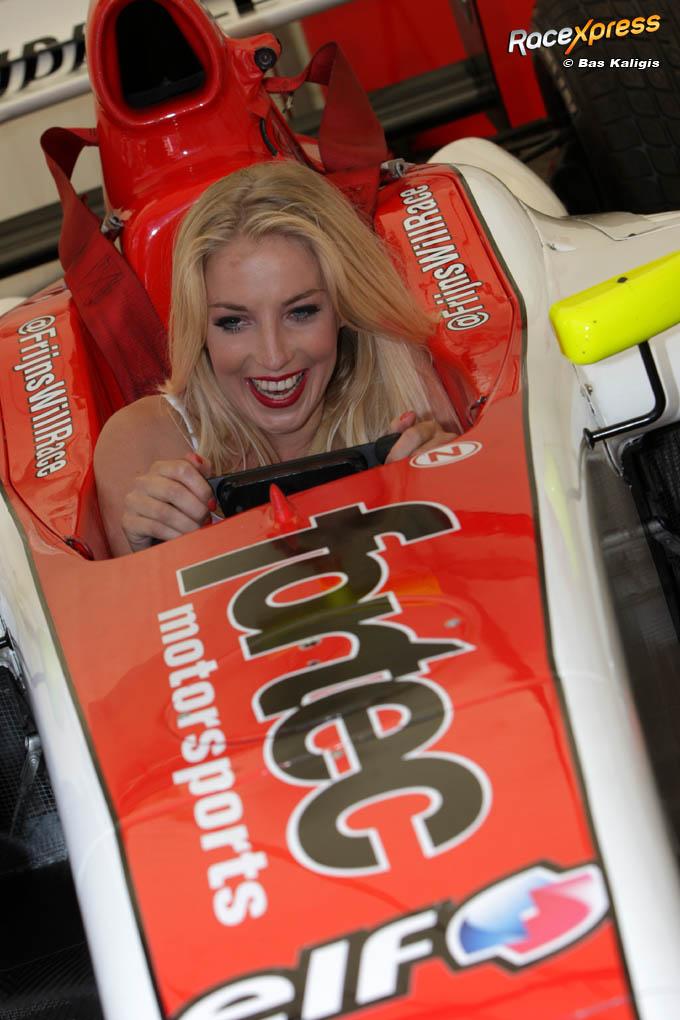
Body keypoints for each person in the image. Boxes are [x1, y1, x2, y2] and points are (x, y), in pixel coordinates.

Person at [94, 160, 458, 556]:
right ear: (199, 328)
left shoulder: (412, 393)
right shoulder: (141, 443)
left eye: (301, 312)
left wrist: (452, 487)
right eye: (234, 322)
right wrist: (147, 557)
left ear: (344, 307)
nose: (273, 356)